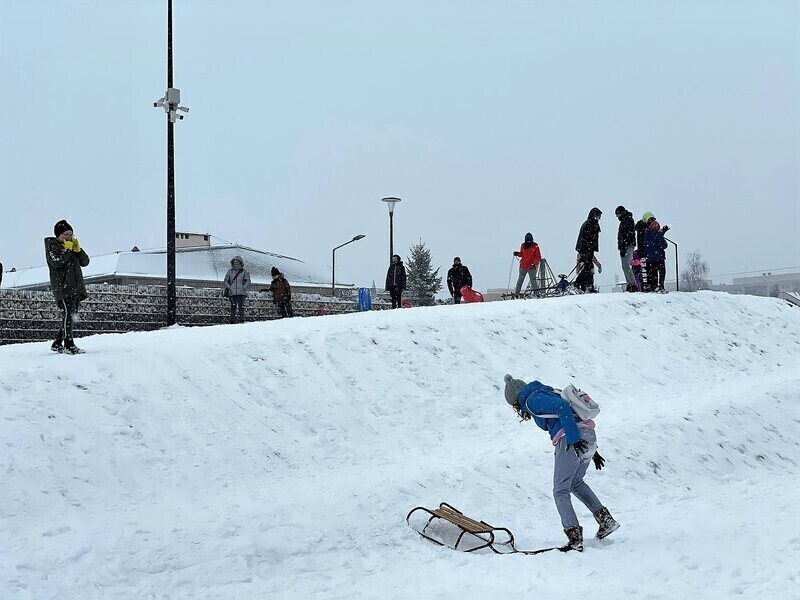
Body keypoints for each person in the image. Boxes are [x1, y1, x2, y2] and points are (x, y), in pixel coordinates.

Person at [503, 374, 619, 551]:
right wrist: (592, 451)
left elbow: (561, 407)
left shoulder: (533, 399)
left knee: (560, 490)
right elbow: (575, 416)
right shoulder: (547, 392)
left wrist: (573, 439)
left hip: (571, 440)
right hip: (587, 437)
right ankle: (606, 521)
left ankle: (575, 538)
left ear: (516, 400)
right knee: (576, 483)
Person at [45, 219, 90, 354]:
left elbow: (85, 262)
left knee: (70, 315)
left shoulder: (71, 247)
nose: (69, 237)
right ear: (58, 236)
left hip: (76, 287)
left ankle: (57, 342)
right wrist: (68, 250)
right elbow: (57, 262)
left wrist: (78, 250)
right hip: (63, 287)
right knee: (68, 314)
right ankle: (68, 344)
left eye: (71, 234)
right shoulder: (52, 247)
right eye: (66, 234)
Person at [574, 208, 602, 292]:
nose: (599, 218)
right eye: (599, 216)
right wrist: (589, 248)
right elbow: (590, 238)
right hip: (586, 249)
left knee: (589, 268)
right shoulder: (592, 224)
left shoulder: (588, 223)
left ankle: (588, 287)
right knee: (588, 268)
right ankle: (578, 284)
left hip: (584, 249)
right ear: (595, 215)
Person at [223, 255, 251, 324]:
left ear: (240, 262)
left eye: (237, 262)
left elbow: (248, 281)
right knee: (233, 307)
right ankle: (232, 320)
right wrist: (229, 287)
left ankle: (242, 320)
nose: (236, 263)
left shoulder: (244, 272)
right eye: (234, 262)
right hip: (232, 293)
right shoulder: (230, 271)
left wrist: (243, 287)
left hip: (241, 293)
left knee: (241, 307)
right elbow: (225, 280)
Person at [615, 206, 637, 292]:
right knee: (625, 266)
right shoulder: (626, 220)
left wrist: (623, 246)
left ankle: (632, 284)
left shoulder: (627, 220)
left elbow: (626, 235)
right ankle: (630, 284)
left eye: (617, 214)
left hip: (627, 246)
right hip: (626, 245)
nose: (617, 217)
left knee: (626, 265)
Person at [644, 219, 669, 293]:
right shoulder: (658, 235)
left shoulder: (647, 234)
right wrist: (661, 234)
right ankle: (661, 286)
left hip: (651, 258)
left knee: (654, 273)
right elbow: (664, 245)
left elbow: (646, 245)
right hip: (659, 257)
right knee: (662, 272)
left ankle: (654, 287)